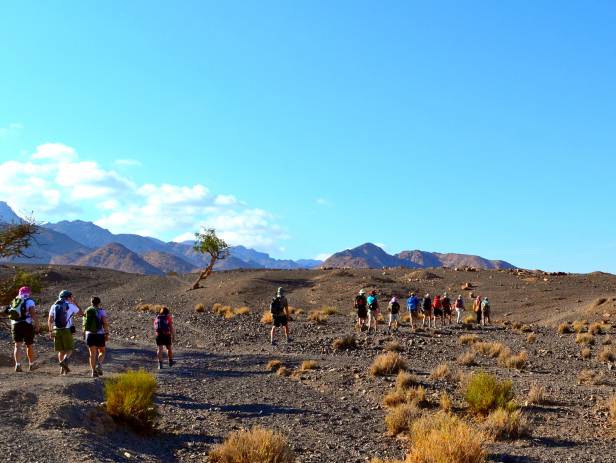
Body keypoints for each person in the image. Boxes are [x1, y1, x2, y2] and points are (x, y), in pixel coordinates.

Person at [48, 290, 83, 375]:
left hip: (56, 330)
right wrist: (75, 303)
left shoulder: (54, 305)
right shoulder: (71, 305)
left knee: (61, 351)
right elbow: (81, 314)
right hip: (66, 330)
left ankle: (62, 370)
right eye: (71, 297)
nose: (72, 298)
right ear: (68, 297)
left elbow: (50, 320)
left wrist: (50, 331)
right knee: (70, 349)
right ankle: (64, 361)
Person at [8, 286, 39, 372]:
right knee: (29, 345)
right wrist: (37, 324)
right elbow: (32, 313)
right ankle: (31, 365)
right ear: (29, 292)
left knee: (17, 345)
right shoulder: (29, 301)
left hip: (15, 324)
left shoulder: (14, 300)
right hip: (26, 324)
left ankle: (18, 365)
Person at [83, 296, 109, 378]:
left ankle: (93, 372)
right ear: (99, 303)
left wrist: (84, 334)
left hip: (89, 334)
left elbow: (84, 324)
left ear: (91, 302)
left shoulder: (87, 310)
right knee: (102, 351)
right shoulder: (101, 311)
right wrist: (107, 332)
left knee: (92, 354)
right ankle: (99, 364)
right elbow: (104, 322)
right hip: (99, 334)